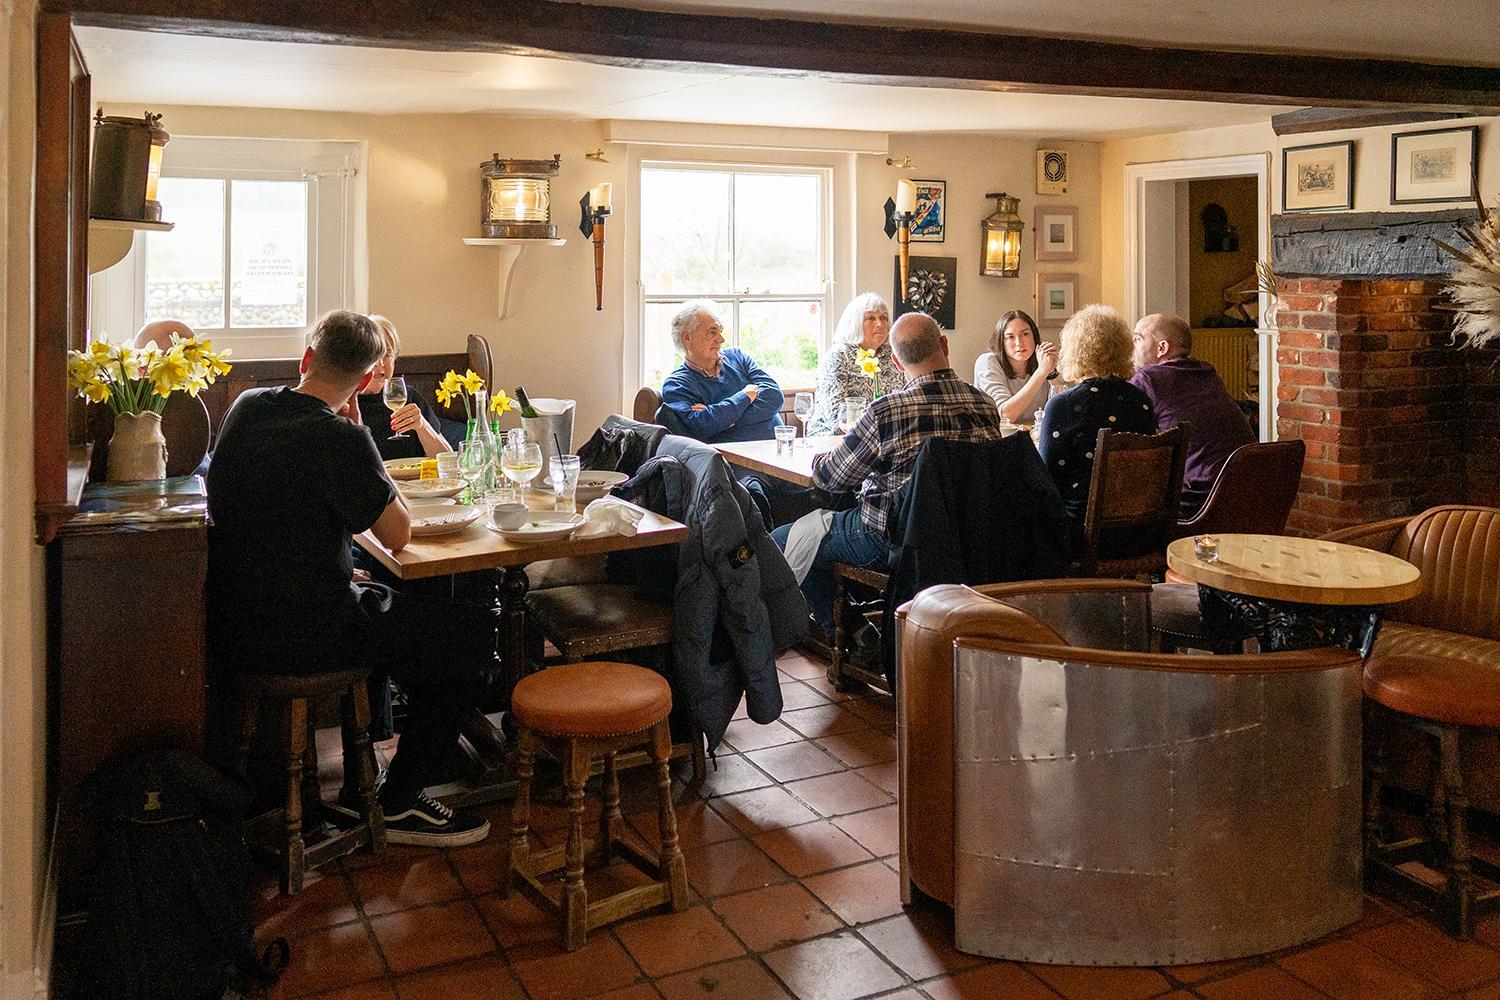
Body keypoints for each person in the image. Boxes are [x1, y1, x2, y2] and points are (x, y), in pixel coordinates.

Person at [206, 310, 490, 846]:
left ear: (307, 357)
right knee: (468, 632)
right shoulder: (340, 438)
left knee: (406, 612)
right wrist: (360, 435)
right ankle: (401, 799)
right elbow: (398, 534)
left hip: (233, 617)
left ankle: (387, 766)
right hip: (305, 630)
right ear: (363, 383)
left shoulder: (247, 406)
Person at [771, 312, 1003, 638]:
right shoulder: (984, 404)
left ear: (895, 360)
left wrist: (820, 459)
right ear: (944, 345)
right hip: (969, 535)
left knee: (786, 540)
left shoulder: (888, 411)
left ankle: (854, 635)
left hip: (895, 538)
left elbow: (831, 478)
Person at [1040, 304, 1157, 526]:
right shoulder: (1140, 400)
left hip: (1081, 529)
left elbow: (1047, 479)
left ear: (1074, 350)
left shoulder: (1063, 405)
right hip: (1141, 526)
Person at [1130, 313, 1256, 517]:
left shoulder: (1148, 378)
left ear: (1162, 348)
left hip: (1198, 499)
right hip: (1245, 492)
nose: (1132, 346)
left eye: (1138, 338)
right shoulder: (1206, 371)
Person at [660, 300, 784, 443]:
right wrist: (744, 396)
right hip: (733, 455)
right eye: (712, 332)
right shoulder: (676, 384)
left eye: (720, 331)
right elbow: (702, 425)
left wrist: (727, 420)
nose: (721, 339)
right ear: (687, 338)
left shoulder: (738, 357)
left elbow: (774, 396)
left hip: (779, 448)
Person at [806, 293, 906, 436]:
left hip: (885, 437)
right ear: (855, 323)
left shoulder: (893, 355)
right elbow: (837, 418)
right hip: (833, 438)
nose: (880, 323)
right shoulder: (839, 357)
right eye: (871, 318)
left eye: (884, 318)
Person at [356, 314, 449, 460]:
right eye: (373, 354)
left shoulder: (408, 396)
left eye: (387, 354)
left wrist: (423, 426)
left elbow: (446, 458)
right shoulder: (346, 404)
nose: (380, 364)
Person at [973, 309, 1060, 423]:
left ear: (1034, 337)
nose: (1019, 343)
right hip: (1000, 433)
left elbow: (1066, 410)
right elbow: (1005, 416)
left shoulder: (1043, 361)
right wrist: (1041, 372)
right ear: (1001, 342)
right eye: (1010, 337)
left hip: (1037, 433)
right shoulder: (988, 362)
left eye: (1025, 334)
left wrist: (1051, 373)